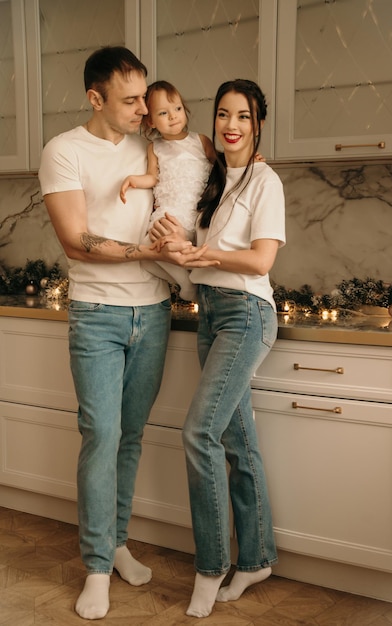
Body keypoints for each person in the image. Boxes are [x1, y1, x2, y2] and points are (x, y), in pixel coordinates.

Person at [38, 46, 215, 621]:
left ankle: (115, 542)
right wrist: (145, 250)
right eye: (132, 99)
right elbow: (74, 239)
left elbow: (202, 171)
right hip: (98, 313)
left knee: (131, 436)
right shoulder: (64, 151)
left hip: (155, 310)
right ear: (96, 98)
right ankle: (95, 565)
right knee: (102, 434)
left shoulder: (155, 143)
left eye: (147, 98)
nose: (146, 108)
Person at [152, 78, 286, 618]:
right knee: (238, 443)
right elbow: (201, 248)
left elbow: (260, 261)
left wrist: (205, 258)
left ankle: (210, 567)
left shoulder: (265, 181)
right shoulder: (214, 180)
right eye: (224, 115)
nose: (232, 125)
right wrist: (176, 246)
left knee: (198, 432)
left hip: (247, 314)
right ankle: (255, 559)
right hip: (209, 313)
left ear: (257, 125)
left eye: (244, 117)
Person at [120, 80, 216, 301]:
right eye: (163, 113)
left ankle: (187, 282)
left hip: (193, 214)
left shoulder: (200, 141)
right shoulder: (155, 147)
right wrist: (133, 180)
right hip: (168, 212)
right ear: (151, 121)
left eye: (178, 109)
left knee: (155, 248)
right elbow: (152, 177)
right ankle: (186, 282)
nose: (173, 116)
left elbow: (222, 166)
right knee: (144, 255)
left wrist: (250, 161)